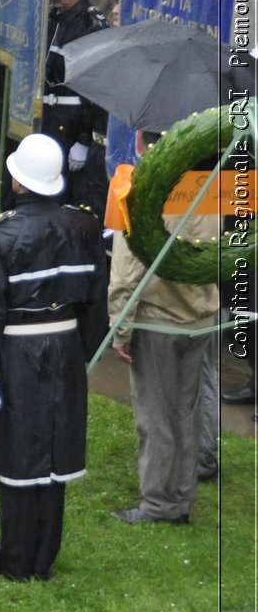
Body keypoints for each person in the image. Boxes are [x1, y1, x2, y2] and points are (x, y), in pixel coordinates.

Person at [0, 133, 106, 582]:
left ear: (20, 181)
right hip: (65, 343)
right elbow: (94, 301)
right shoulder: (85, 225)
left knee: (17, 449)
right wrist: (82, 350)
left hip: (18, 348)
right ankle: (42, 557)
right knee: (53, 450)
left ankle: (15, 558)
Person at [108, 180, 220, 525]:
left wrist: (120, 327)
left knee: (156, 416)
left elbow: (128, 270)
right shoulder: (210, 186)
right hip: (199, 317)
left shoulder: (141, 191)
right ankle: (181, 497)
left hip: (159, 320)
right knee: (186, 411)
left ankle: (158, 503)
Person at [40, 0, 109, 213]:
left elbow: (96, 88)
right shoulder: (50, 15)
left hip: (71, 121)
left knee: (61, 195)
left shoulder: (91, 26)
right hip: (46, 115)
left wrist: (83, 139)